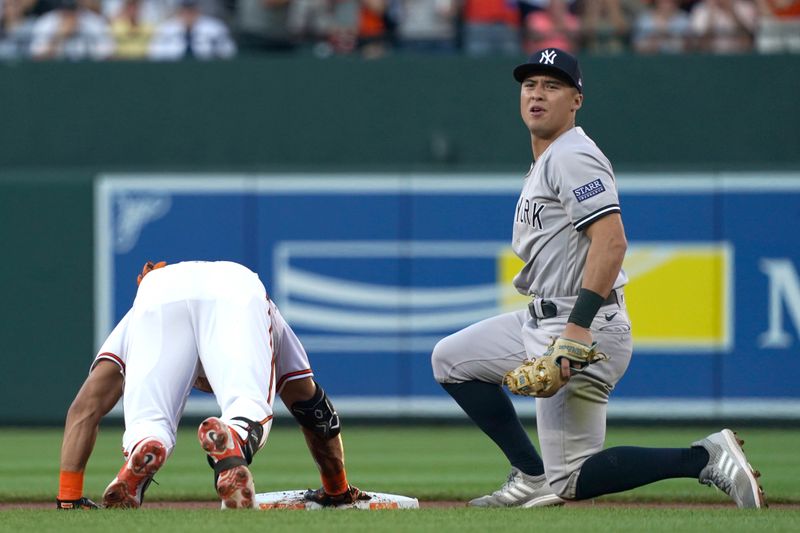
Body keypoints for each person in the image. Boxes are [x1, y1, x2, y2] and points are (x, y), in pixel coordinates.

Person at [430, 48, 766, 509]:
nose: (537, 94)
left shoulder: (573, 155)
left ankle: (704, 459)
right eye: (530, 85)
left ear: (577, 100)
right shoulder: (547, 159)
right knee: (452, 360)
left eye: (552, 86)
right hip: (540, 318)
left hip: (583, 326)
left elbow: (612, 243)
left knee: (572, 480)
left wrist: (575, 329)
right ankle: (531, 475)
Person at [56, 260, 367, 509]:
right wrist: (337, 489)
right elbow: (312, 409)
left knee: (149, 421)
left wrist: (68, 498)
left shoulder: (136, 316)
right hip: (234, 289)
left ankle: (144, 444)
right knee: (248, 404)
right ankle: (234, 437)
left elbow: (85, 407)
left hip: (160, 292)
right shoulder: (259, 312)